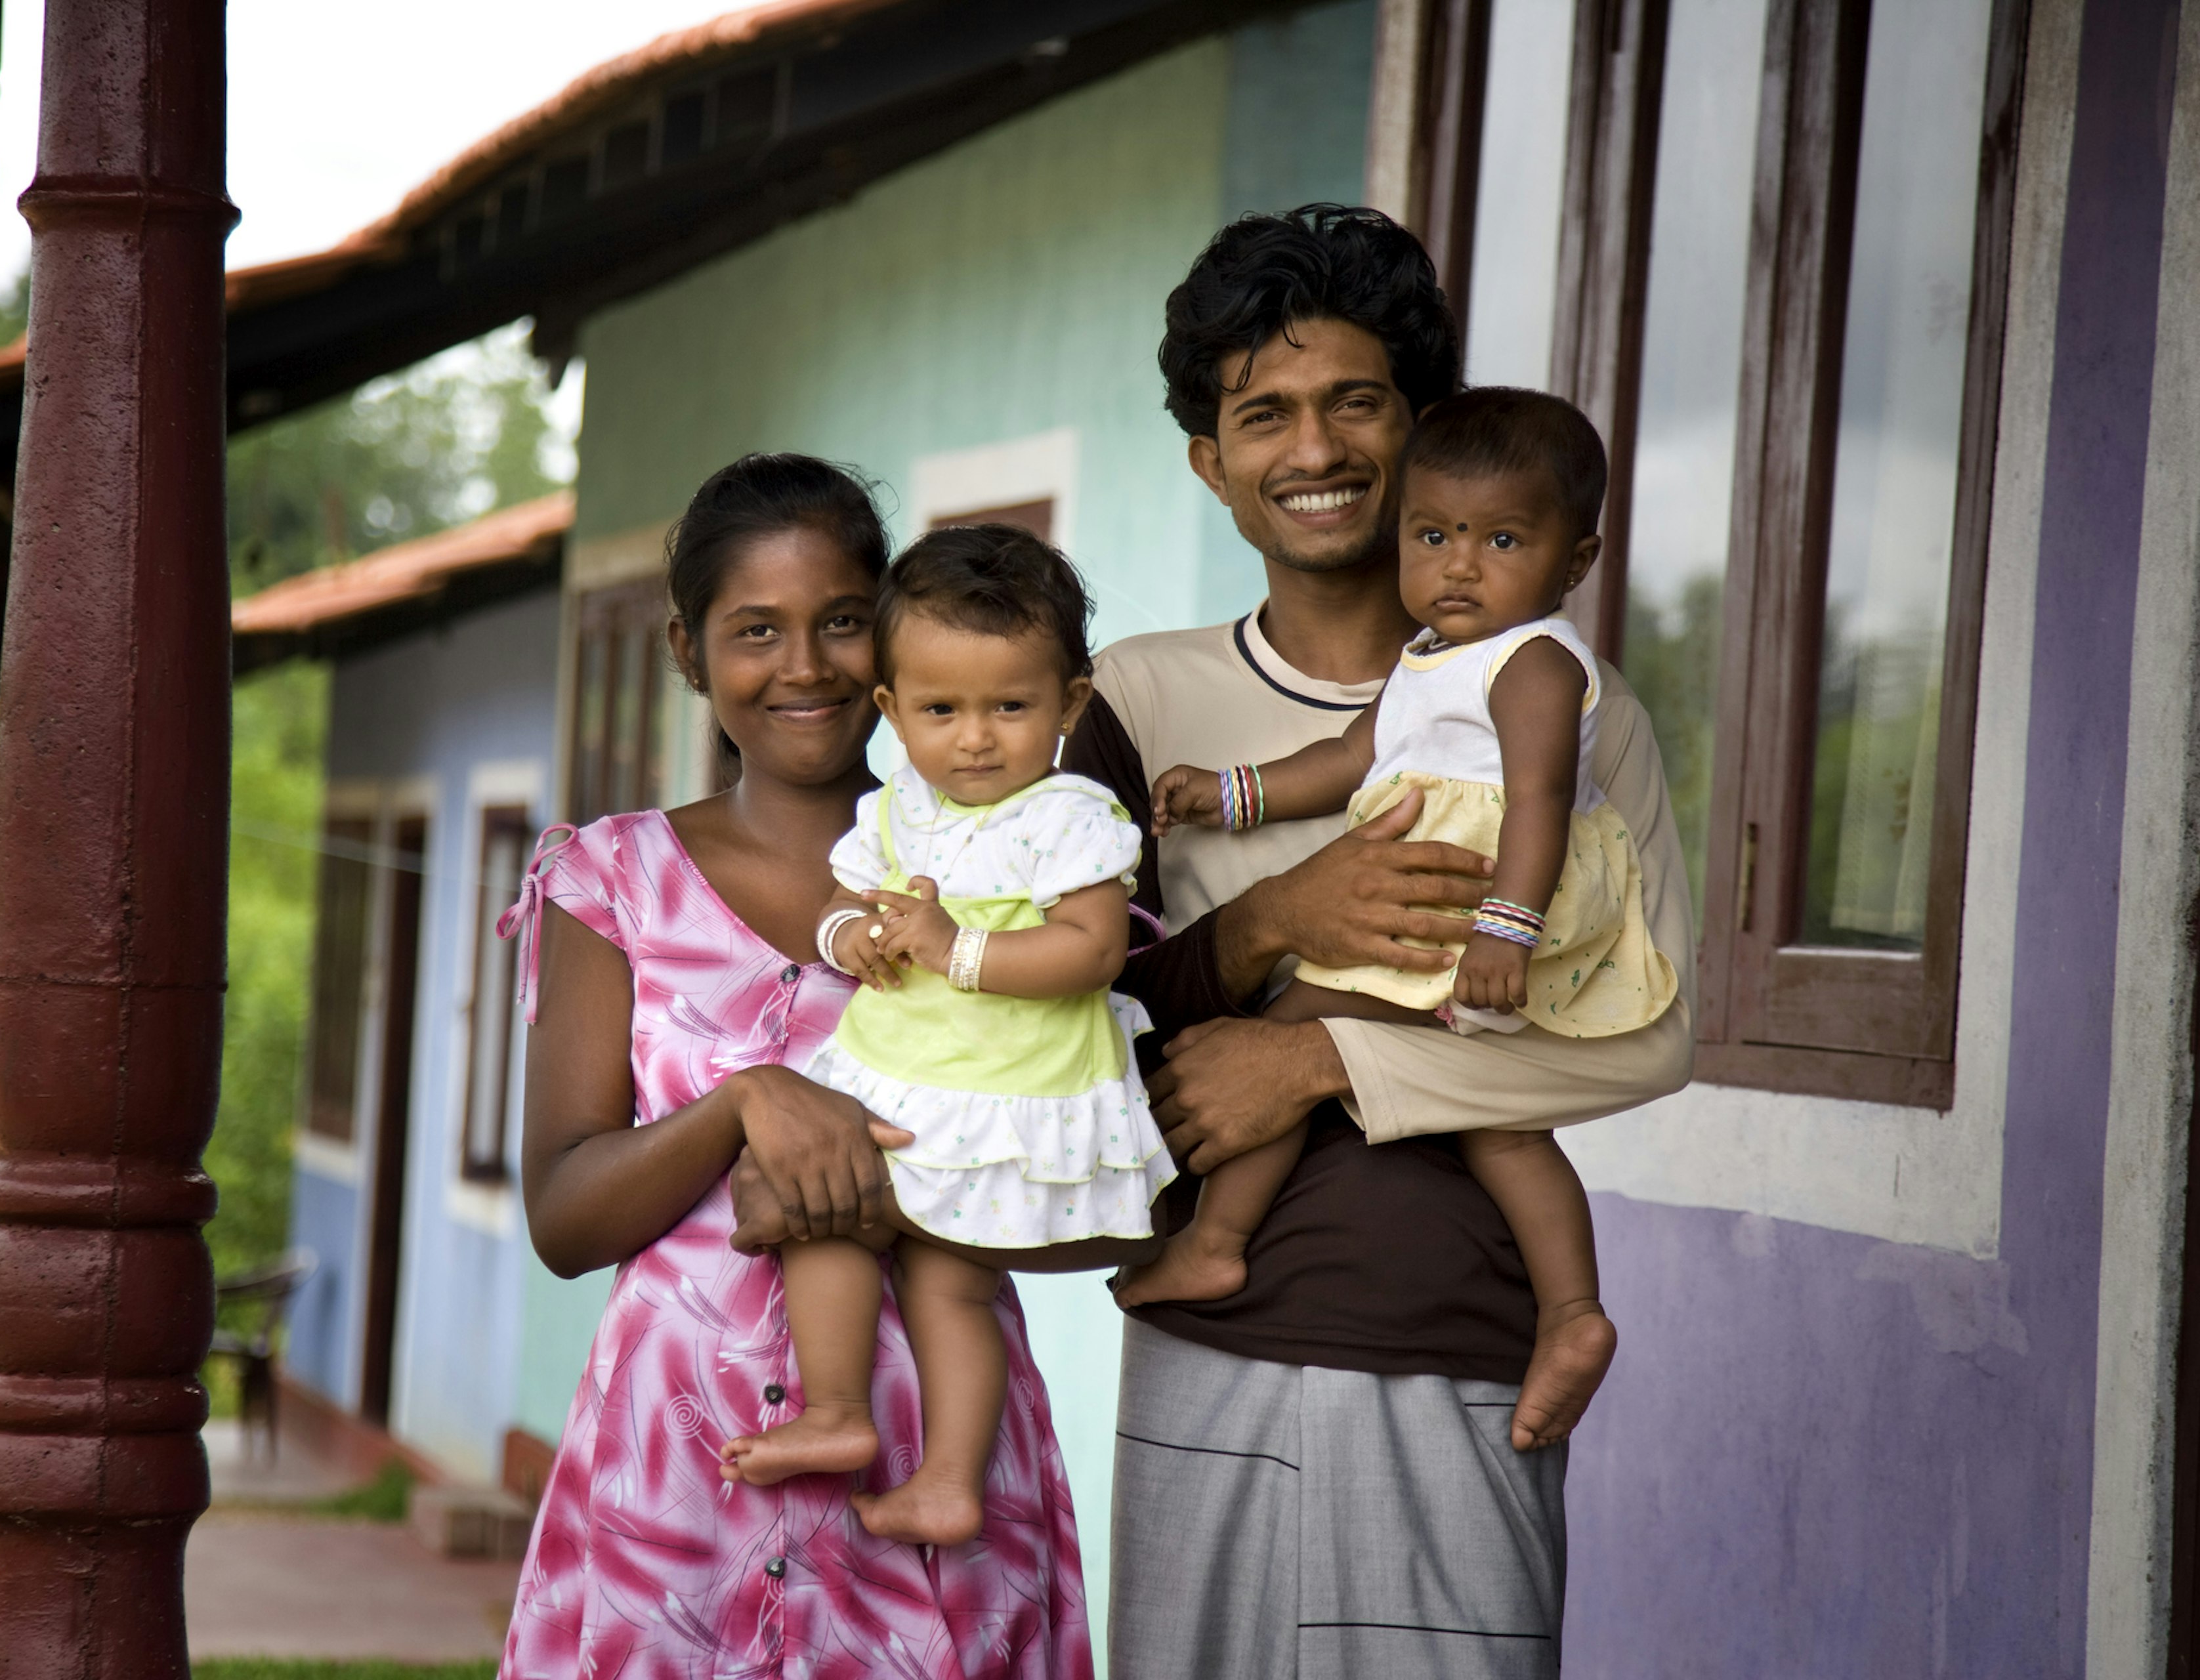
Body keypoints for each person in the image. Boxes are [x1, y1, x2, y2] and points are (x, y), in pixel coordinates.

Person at [1066, 205, 1695, 1677]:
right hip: (1206, 1346)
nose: (1315, 447)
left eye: (1356, 400)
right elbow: (1069, 1011)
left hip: (1460, 1344)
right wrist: (1274, 920)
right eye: (1262, 413)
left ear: (1418, 430)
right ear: (1210, 461)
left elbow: (1655, 1034)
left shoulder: (1582, 709)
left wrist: (1320, 1057)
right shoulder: (1135, 702)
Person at [498, 455, 1105, 1679]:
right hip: (678, 1483)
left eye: (839, 623)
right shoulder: (609, 883)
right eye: (755, 631)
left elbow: (1093, 1172)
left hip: (933, 1465)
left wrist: (890, 1187)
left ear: (886, 637)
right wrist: (741, 1107)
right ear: (688, 651)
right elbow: (565, 1217)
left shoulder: (1011, 874)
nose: (805, 667)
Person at [1118, 388, 1678, 1455]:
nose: (1460, 566)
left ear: (1576, 558)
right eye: (1435, 536)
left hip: (1479, 912)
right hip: (1452, 917)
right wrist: (1228, 794)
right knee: (1502, 1123)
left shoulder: (1540, 666)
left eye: (1502, 539)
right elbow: (1340, 766)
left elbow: (1544, 801)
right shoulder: (1426, 661)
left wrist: (1507, 930)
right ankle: (1573, 1312)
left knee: (1281, 1038)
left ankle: (1216, 1241)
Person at [717, 524, 1175, 1547]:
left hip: (1011, 1089)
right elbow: (838, 906)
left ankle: (948, 1478)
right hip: (897, 1078)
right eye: (940, 710)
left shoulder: (1071, 815)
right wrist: (856, 939)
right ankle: (837, 1411)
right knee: (820, 1213)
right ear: (890, 710)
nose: (975, 737)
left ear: (1072, 702)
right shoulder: (898, 812)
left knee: (952, 1280)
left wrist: (951, 947)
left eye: (1010, 707)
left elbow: (1093, 951)